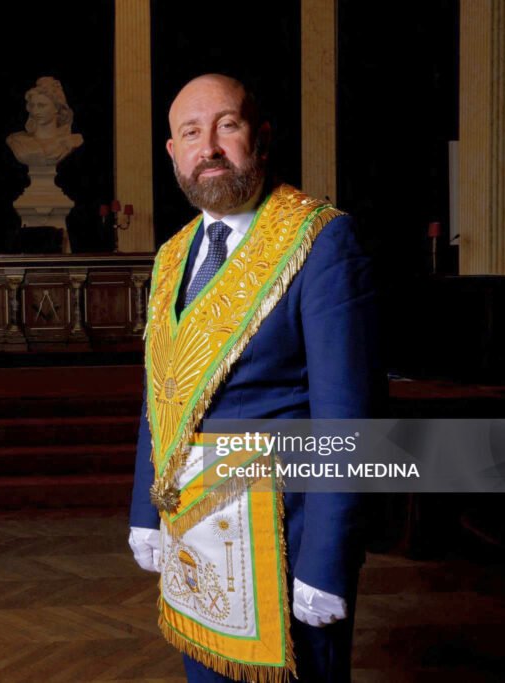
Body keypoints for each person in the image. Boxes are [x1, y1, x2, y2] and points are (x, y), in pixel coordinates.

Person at [128, 74, 377, 682]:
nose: (207, 146)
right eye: (191, 132)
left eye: (226, 126)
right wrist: (144, 507)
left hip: (283, 542)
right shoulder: (172, 256)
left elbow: (348, 417)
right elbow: (161, 392)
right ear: (172, 152)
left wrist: (328, 558)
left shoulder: (319, 240)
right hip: (194, 538)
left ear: (260, 139)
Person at [6, 76, 84, 167]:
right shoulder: (18, 141)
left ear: (56, 107)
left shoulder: (71, 140)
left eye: (41, 106)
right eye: (32, 106)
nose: (35, 111)